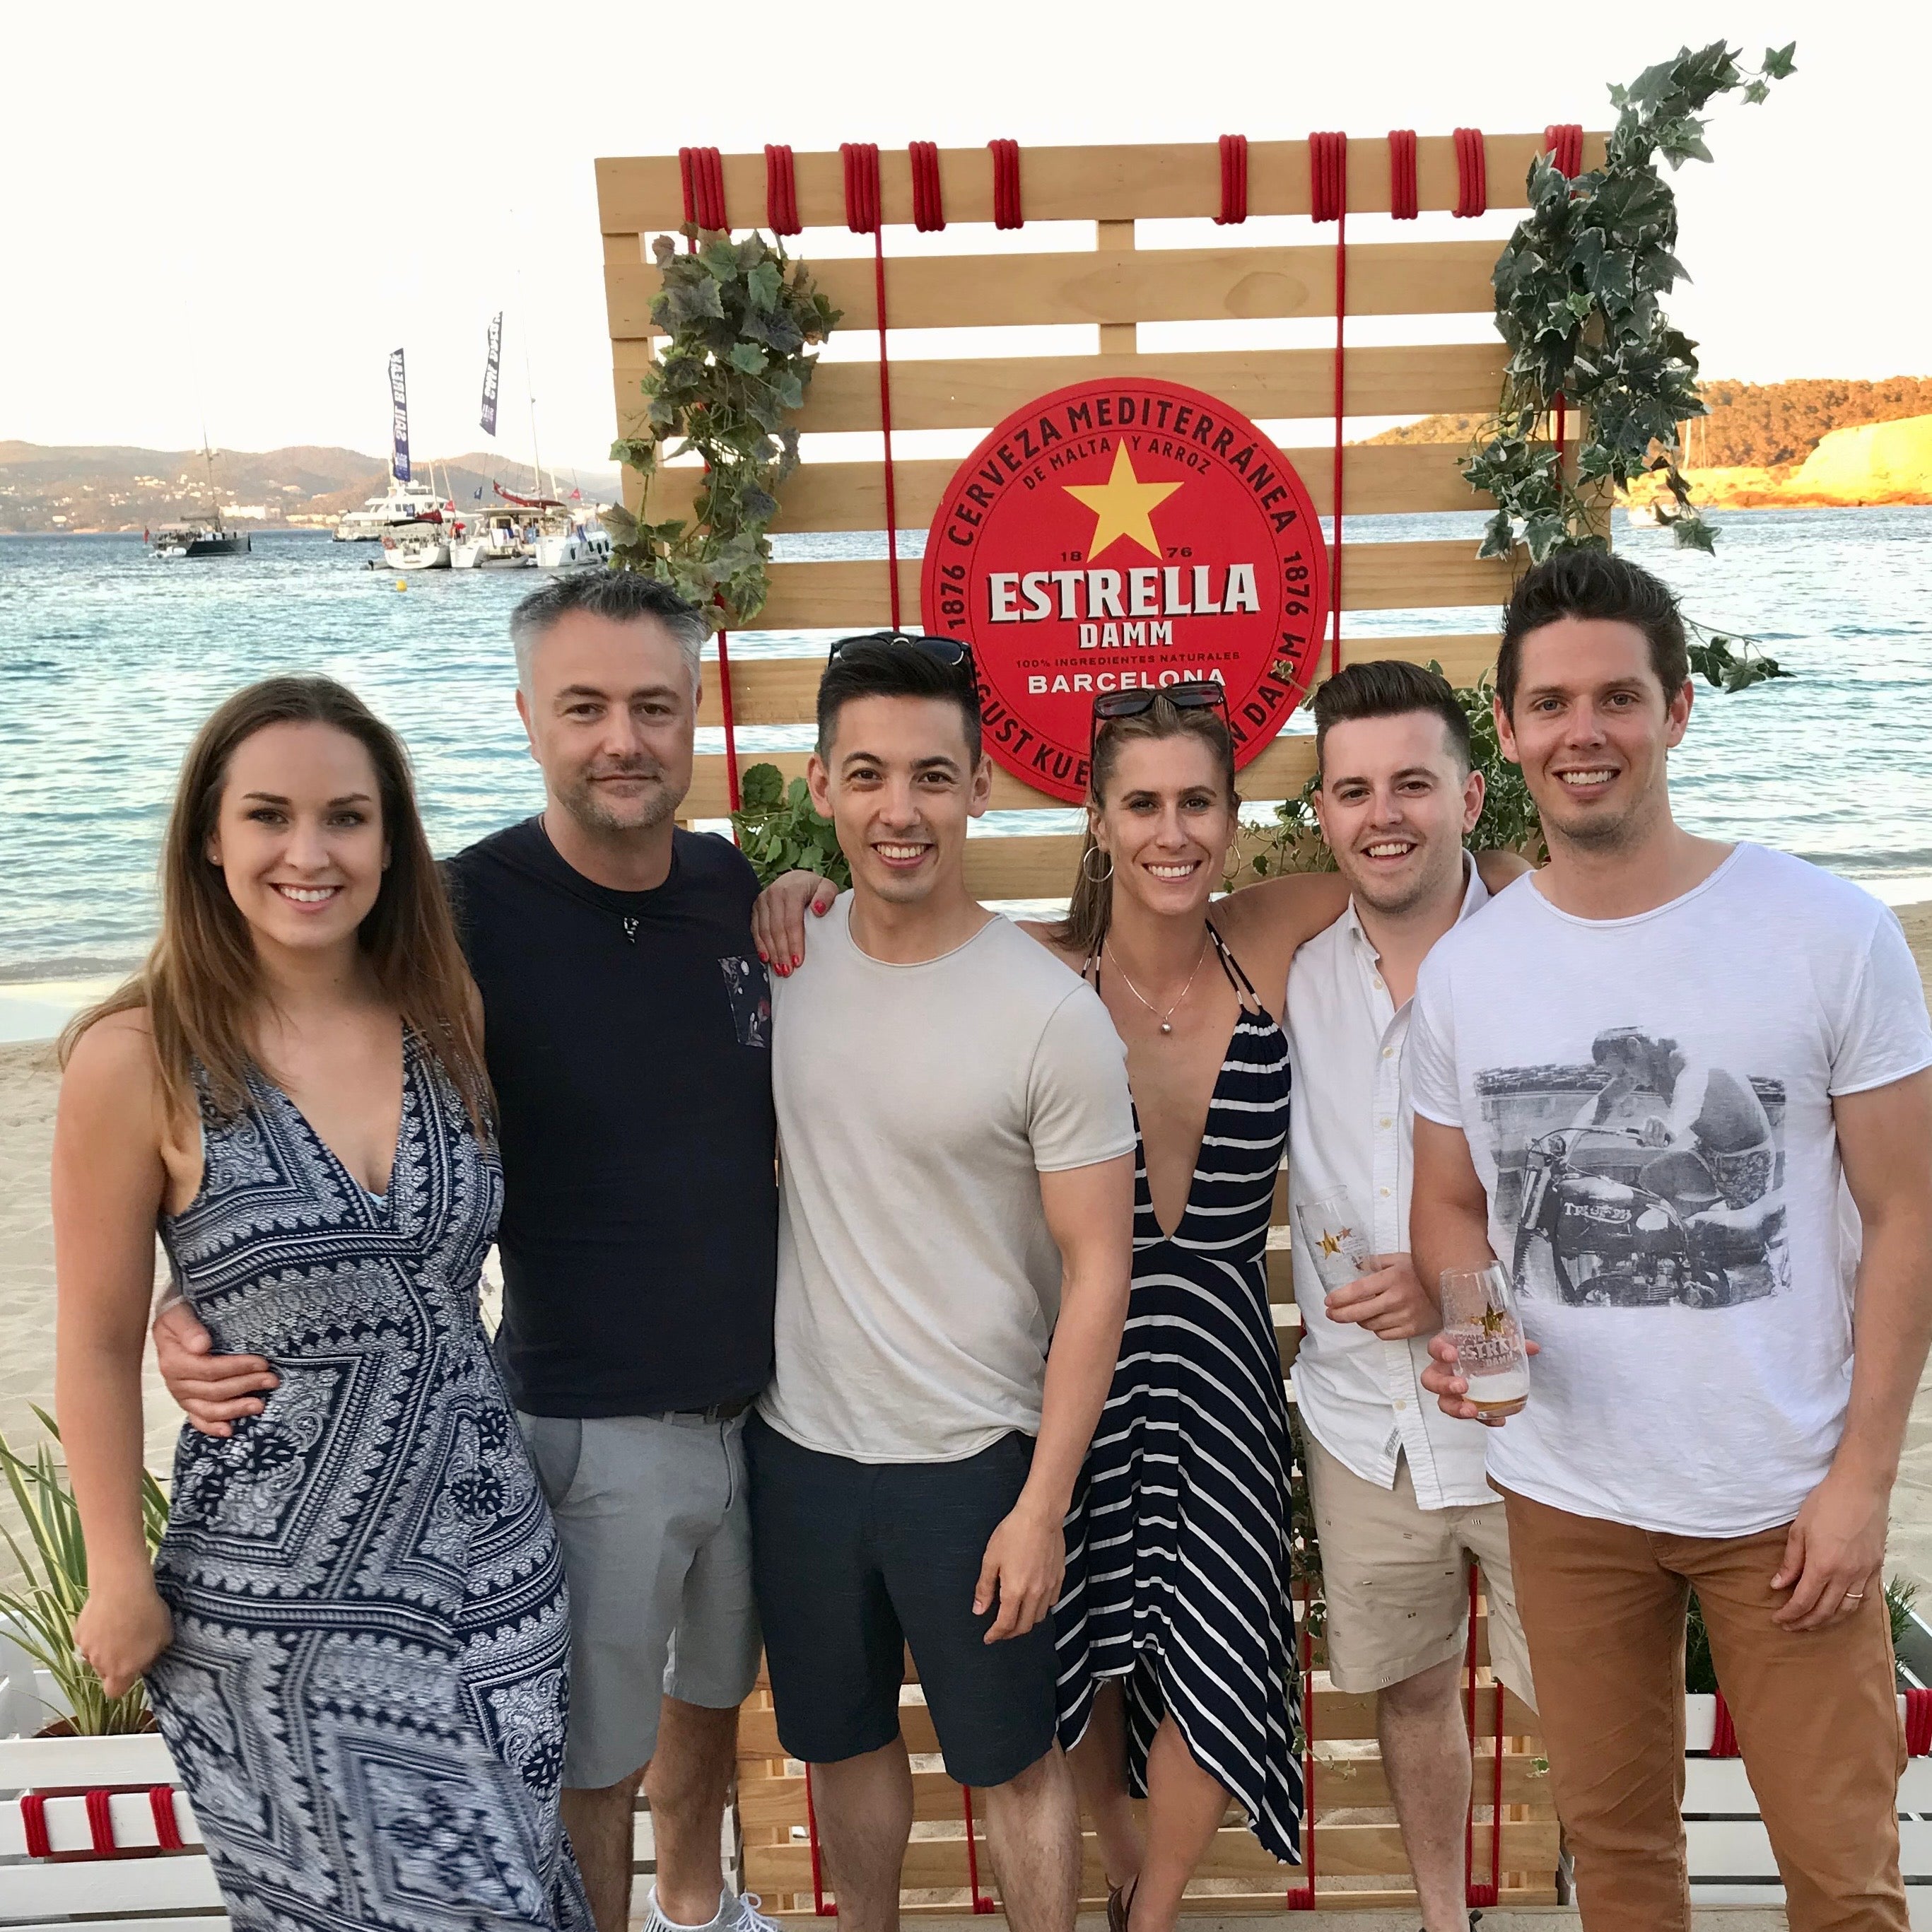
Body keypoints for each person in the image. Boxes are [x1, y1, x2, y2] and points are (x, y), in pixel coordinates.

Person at [754, 681, 1528, 1932]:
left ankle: (1150, 1909)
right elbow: (900, 930)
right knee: (1087, 1658)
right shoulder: (1034, 972)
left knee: (1219, 1644)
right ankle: (1113, 1878)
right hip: (1074, 1359)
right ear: (1096, 820)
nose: (1172, 832)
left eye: (1197, 803)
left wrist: (1504, 850)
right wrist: (798, 895)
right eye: (1142, 804)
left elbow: (1433, 857)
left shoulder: (1269, 931)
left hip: (1219, 1354)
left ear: (1232, 817)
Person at [156, 573, 778, 1932]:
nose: (622, 737)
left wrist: (801, 887)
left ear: (691, 721)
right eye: (584, 706)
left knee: (710, 1707)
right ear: (526, 718)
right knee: (589, 1763)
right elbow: (281, 1074)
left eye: (653, 707)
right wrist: (187, 1286)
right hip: (579, 1416)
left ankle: (698, 1911)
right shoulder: (446, 914)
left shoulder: (730, 885)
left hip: (754, 1402)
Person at [1409, 549, 1932, 1932]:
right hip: (1565, 1490)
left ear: (1675, 710)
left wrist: (1858, 1481)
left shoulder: (1826, 932)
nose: (1583, 730)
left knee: (1839, 1873)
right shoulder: (1469, 968)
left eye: (1616, 696)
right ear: (1509, 729)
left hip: (1779, 1492)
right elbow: (1450, 1198)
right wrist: (1465, 1334)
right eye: (1550, 702)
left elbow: (1906, 1212)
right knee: (1620, 1853)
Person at [57, 675, 590, 1930]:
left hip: (491, 1567)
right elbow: (85, 1338)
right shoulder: (134, 1058)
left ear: (392, 840)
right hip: (277, 1605)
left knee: (517, 1892)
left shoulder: (442, 1014)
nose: (310, 852)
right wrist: (115, 1570)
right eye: (269, 816)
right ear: (210, 835)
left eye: (347, 817)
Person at [747, 631, 1137, 1932]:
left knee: (1014, 1767)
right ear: (818, 785)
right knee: (842, 1747)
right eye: (865, 775)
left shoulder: (1046, 1012)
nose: (896, 809)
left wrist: (1040, 1504)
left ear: (979, 787)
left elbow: (1098, 1271)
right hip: (798, 1449)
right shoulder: (779, 966)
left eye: (929, 775)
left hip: (976, 1458)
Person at [1284, 661, 1534, 1932]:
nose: (1383, 814)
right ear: (1321, 812)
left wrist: (1453, 1290)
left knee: (1589, 1696)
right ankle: (1449, 1918)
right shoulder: (1293, 970)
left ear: (1471, 792)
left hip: (1537, 1415)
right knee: (1412, 1687)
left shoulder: (1549, 958)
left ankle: (1620, 1902)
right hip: (1359, 1418)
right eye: (1353, 790)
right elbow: (1109, 941)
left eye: (1412, 784)